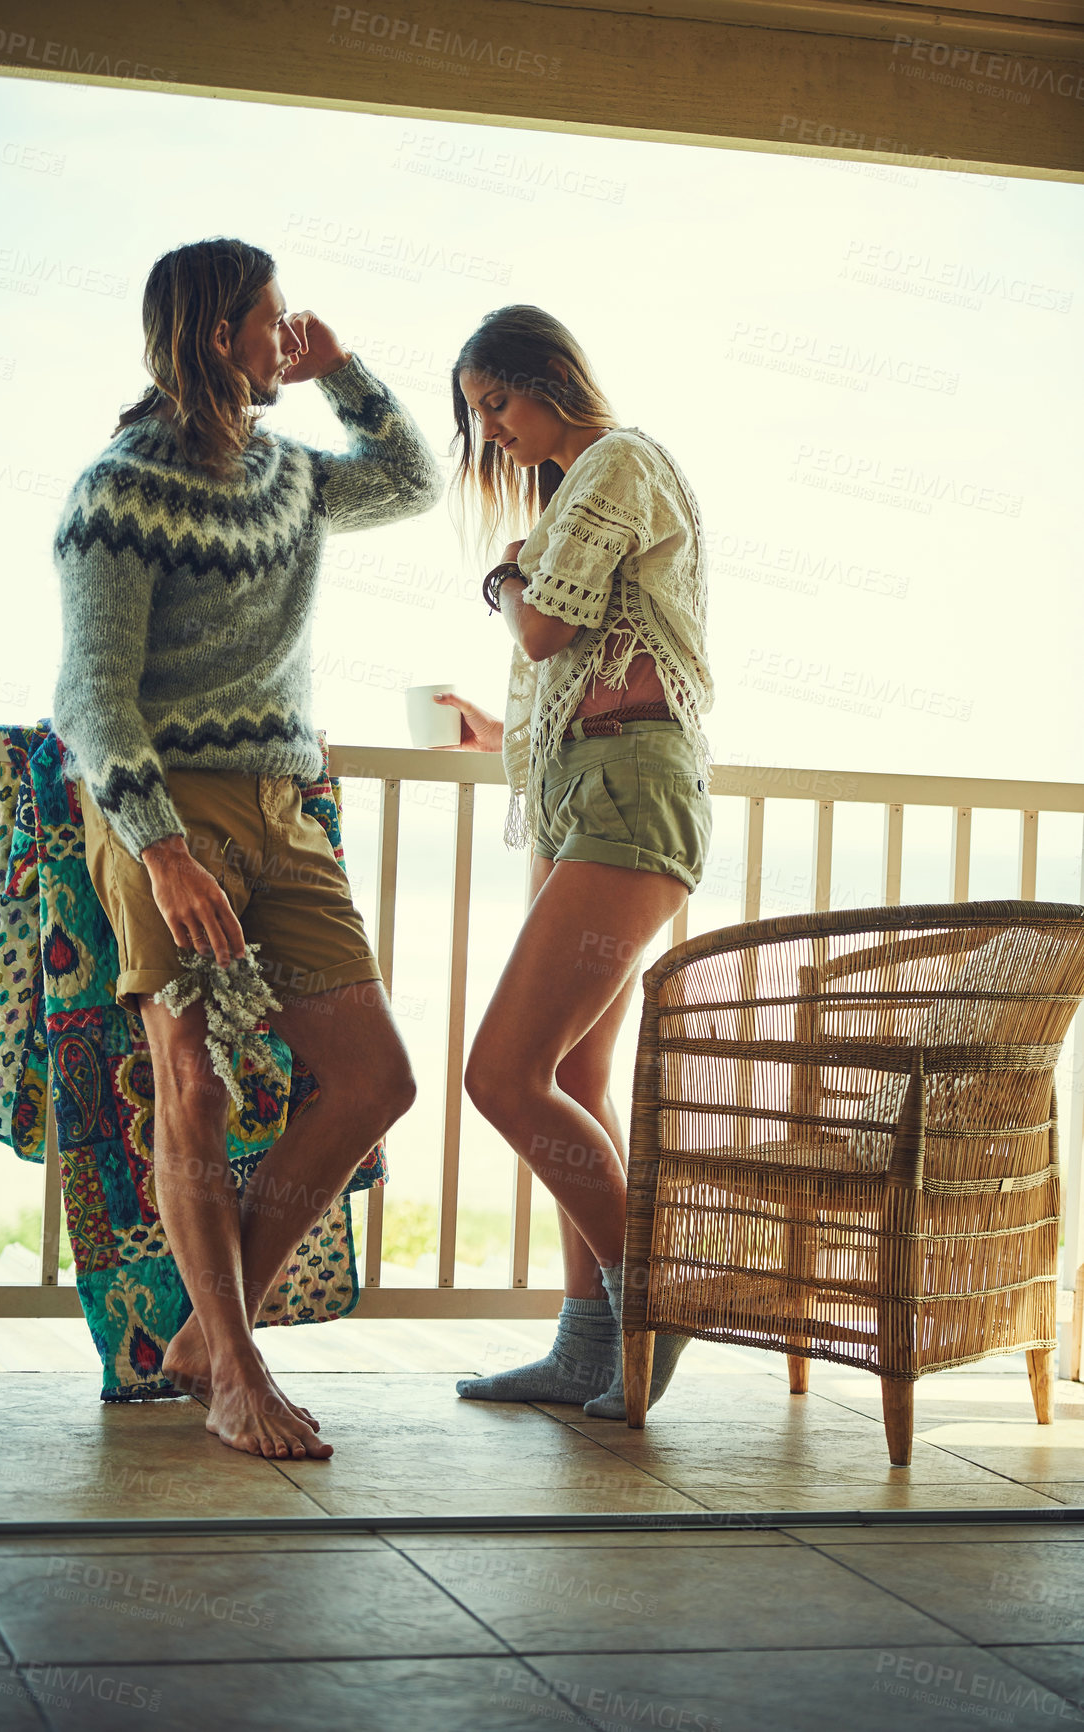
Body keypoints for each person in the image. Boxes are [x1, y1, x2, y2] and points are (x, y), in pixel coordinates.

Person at [51, 238, 443, 1460]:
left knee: (375, 1079)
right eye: (273, 322)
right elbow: (91, 699)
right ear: (218, 334)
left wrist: (345, 372)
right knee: (194, 1084)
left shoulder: (291, 475)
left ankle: (215, 1335)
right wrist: (162, 851)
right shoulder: (116, 490)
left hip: (286, 811)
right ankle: (233, 1373)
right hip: (169, 815)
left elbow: (416, 477)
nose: (289, 334)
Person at [439, 304, 714, 1419]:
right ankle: (584, 1343)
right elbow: (584, 670)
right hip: (582, 790)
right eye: (480, 417)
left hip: (629, 793)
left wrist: (505, 580)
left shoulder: (617, 459)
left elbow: (548, 630)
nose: (494, 433)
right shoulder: (576, 487)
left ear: (546, 377)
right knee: (573, 1079)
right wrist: (495, 731)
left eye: (495, 404)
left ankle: (651, 1297)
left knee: (501, 1075)